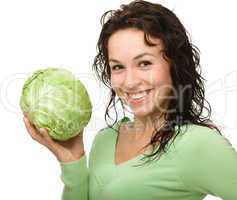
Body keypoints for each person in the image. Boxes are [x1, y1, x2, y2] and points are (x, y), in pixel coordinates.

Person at [23, 0, 237, 200]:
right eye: (118, 67)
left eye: (144, 63)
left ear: (174, 64)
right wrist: (72, 159)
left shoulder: (199, 145)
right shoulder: (106, 138)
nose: (130, 81)